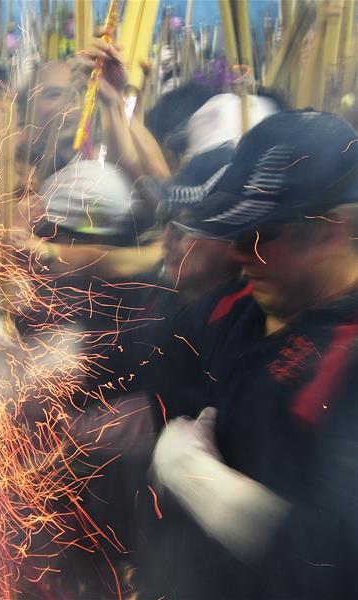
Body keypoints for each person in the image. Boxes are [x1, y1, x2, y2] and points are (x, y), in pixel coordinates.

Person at [142, 110, 358, 599]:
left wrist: (205, 485)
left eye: (261, 236)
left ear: (330, 230)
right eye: (237, 237)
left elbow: (340, 561)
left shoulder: (347, 358)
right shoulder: (233, 307)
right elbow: (148, 359)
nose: (241, 255)